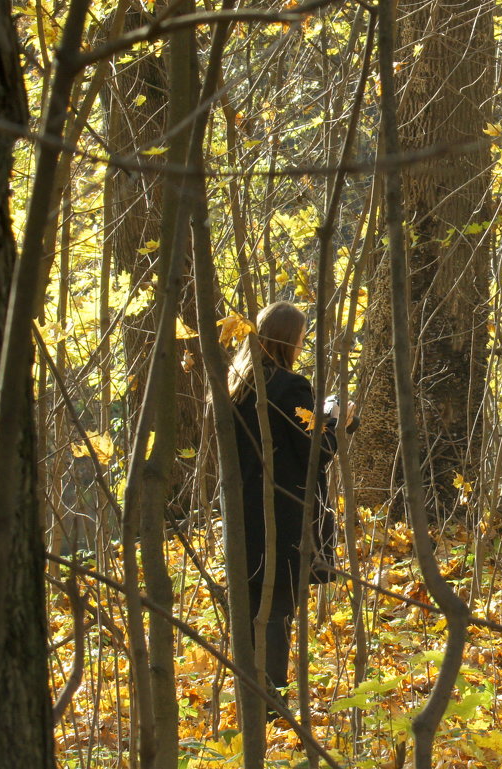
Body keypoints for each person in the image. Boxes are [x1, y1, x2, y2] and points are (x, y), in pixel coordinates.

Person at [227, 300, 353, 702]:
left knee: (247, 611)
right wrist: (340, 422)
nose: (302, 346)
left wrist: (322, 420)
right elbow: (315, 452)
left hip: (239, 513)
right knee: (277, 609)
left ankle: (248, 697)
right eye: (300, 339)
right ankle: (271, 702)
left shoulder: (232, 384)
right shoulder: (289, 386)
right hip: (281, 515)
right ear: (287, 341)